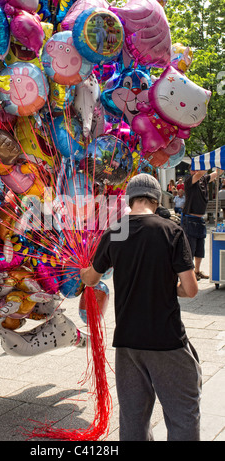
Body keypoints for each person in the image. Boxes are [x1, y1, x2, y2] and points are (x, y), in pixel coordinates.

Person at [80, 173, 201, 442]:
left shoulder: (115, 232)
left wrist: (82, 270)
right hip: (166, 340)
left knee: (133, 417)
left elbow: (91, 278)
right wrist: (170, 289)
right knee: (182, 414)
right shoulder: (171, 231)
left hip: (127, 342)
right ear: (157, 200)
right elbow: (191, 290)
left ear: (129, 200)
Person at [181, 168, 223, 281]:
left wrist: (221, 164)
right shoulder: (189, 180)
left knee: (200, 248)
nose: (196, 171)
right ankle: (188, 275)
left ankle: (197, 271)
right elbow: (200, 173)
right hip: (190, 219)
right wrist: (207, 162)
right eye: (193, 169)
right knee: (190, 248)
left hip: (199, 220)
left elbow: (217, 173)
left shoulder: (203, 179)